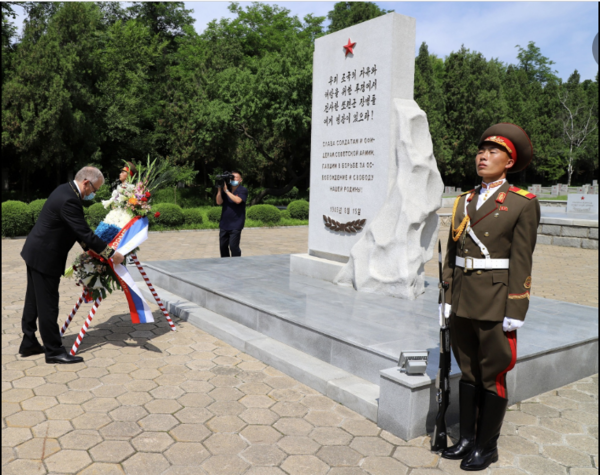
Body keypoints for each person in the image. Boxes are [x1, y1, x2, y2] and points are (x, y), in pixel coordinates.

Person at [439, 123, 540, 471]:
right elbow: (452, 254)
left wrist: (517, 304)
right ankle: (467, 439)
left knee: (491, 373)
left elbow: (522, 258)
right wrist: (447, 295)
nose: (483, 156)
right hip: (464, 297)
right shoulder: (463, 201)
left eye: (493, 151)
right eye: (481, 151)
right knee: (467, 371)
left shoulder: (521, 204)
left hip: (497, 300)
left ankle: (487, 446)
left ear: (509, 162)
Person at [20, 166, 125, 364]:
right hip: (45, 257)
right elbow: (84, 233)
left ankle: (29, 342)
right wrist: (111, 254)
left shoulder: (65, 190)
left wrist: (89, 249)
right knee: (48, 305)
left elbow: (76, 231)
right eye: (94, 190)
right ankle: (53, 351)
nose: (93, 194)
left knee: (33, 300)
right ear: (86, 182)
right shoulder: (70, 199)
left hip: (35, 251)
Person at [216, 171, 247, 257]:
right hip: (224, 223)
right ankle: (226, 264)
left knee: (233, 246)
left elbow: (238, 200)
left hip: (236, 223)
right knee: (223, 247)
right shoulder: (226, 189)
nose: (233, 179)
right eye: (231, 177)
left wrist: (226, 191)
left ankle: (236, 263)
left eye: (235, 177)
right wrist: (219, 189)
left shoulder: (243, 190)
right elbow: (219, 202)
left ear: (240, 180)